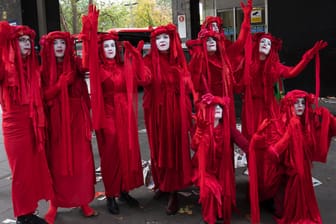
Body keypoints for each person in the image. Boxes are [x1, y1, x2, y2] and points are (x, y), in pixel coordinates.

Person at [80, 5, 150, 215]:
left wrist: (137, 57)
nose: (110, 48)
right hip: (108, 116)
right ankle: (110, 194)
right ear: (101, 49)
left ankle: (123, 190)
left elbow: (145, 79)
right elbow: (87, 59)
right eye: (106, 46)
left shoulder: (124, 65)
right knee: (110, 156)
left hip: (125, 116)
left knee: (125, 153)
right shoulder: (98, 68)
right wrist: (91, 32)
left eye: (113, 45)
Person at [248, 90, 336, 224]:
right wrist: (290, 131)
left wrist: (326, 115)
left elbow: (331, 128)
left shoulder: (308, 121)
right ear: (289, 105)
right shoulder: (281, 123)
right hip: (289, 172)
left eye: (303, 103)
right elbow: (274, 152)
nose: (300, 106)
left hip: (303, 169)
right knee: (289, 199)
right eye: (296, 103)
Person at [39, 31, 97, 223]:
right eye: (55, 42)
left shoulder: (75, 63)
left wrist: (89, 36)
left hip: (77, 119)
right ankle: (54, 204)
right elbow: (43, 97)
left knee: (83, 161)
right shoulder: (44, 70)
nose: (59, 46)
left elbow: (89, 66)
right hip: (56, 121)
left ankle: (83, 201)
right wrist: (60, 85)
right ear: (49, 46)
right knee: (56, 162)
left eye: (62, 42)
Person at [0, 22, 53, 224]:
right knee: (21, 171)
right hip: (14, 126)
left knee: (32, 169)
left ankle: (29, 210)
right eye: (21, 40)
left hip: (33, 124)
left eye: (28, 41)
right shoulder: (6, 67)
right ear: (13, 43)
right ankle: (23, 215)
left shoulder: (32, 68)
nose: (27, 44)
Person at [143, 23, 194, 215]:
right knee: (158, 148)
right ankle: (163, 184)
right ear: (154, 42)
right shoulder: (148, 60)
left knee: (174, 149)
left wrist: (183, 79)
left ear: (171, 40)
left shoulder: (178, 61)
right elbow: (144, 80)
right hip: (156, 112)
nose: (162, 41)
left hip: (176, 111)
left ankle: (174, 190)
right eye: (158, 38)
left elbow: (189, 87)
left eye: (165, 38)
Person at [239, 32, 328, 140]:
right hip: (252, 106)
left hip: (269, 107)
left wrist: (309, 56)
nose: (265, 44)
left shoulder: (275, 66)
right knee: (251, 139)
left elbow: (292, 72)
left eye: (269, 43)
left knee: (269, 137)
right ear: (257, 44)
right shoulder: (247, 64)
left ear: (272, 49)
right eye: (262, 41)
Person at [187, 0, 252, 125]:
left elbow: (241, 42)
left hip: (226, 98)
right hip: (208, 101)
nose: (215, 29)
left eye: (217, 26)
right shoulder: (199, 55)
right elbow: (193, 82)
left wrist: (246, 18)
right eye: (212, 26)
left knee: (227, 129)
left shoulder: (226, 50)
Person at [191, 96, 249, 224]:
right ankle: (208, 218)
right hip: (204, 171)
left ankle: (218, 211)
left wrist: (257, 146)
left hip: (222, 172)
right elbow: (194, 146)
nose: (218, 109)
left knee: (222, 196)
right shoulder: (201, 127)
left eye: (220, 107)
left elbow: (244, 144)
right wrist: (199, 131)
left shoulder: (228, 129)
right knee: (212, 190)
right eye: (214, 106)